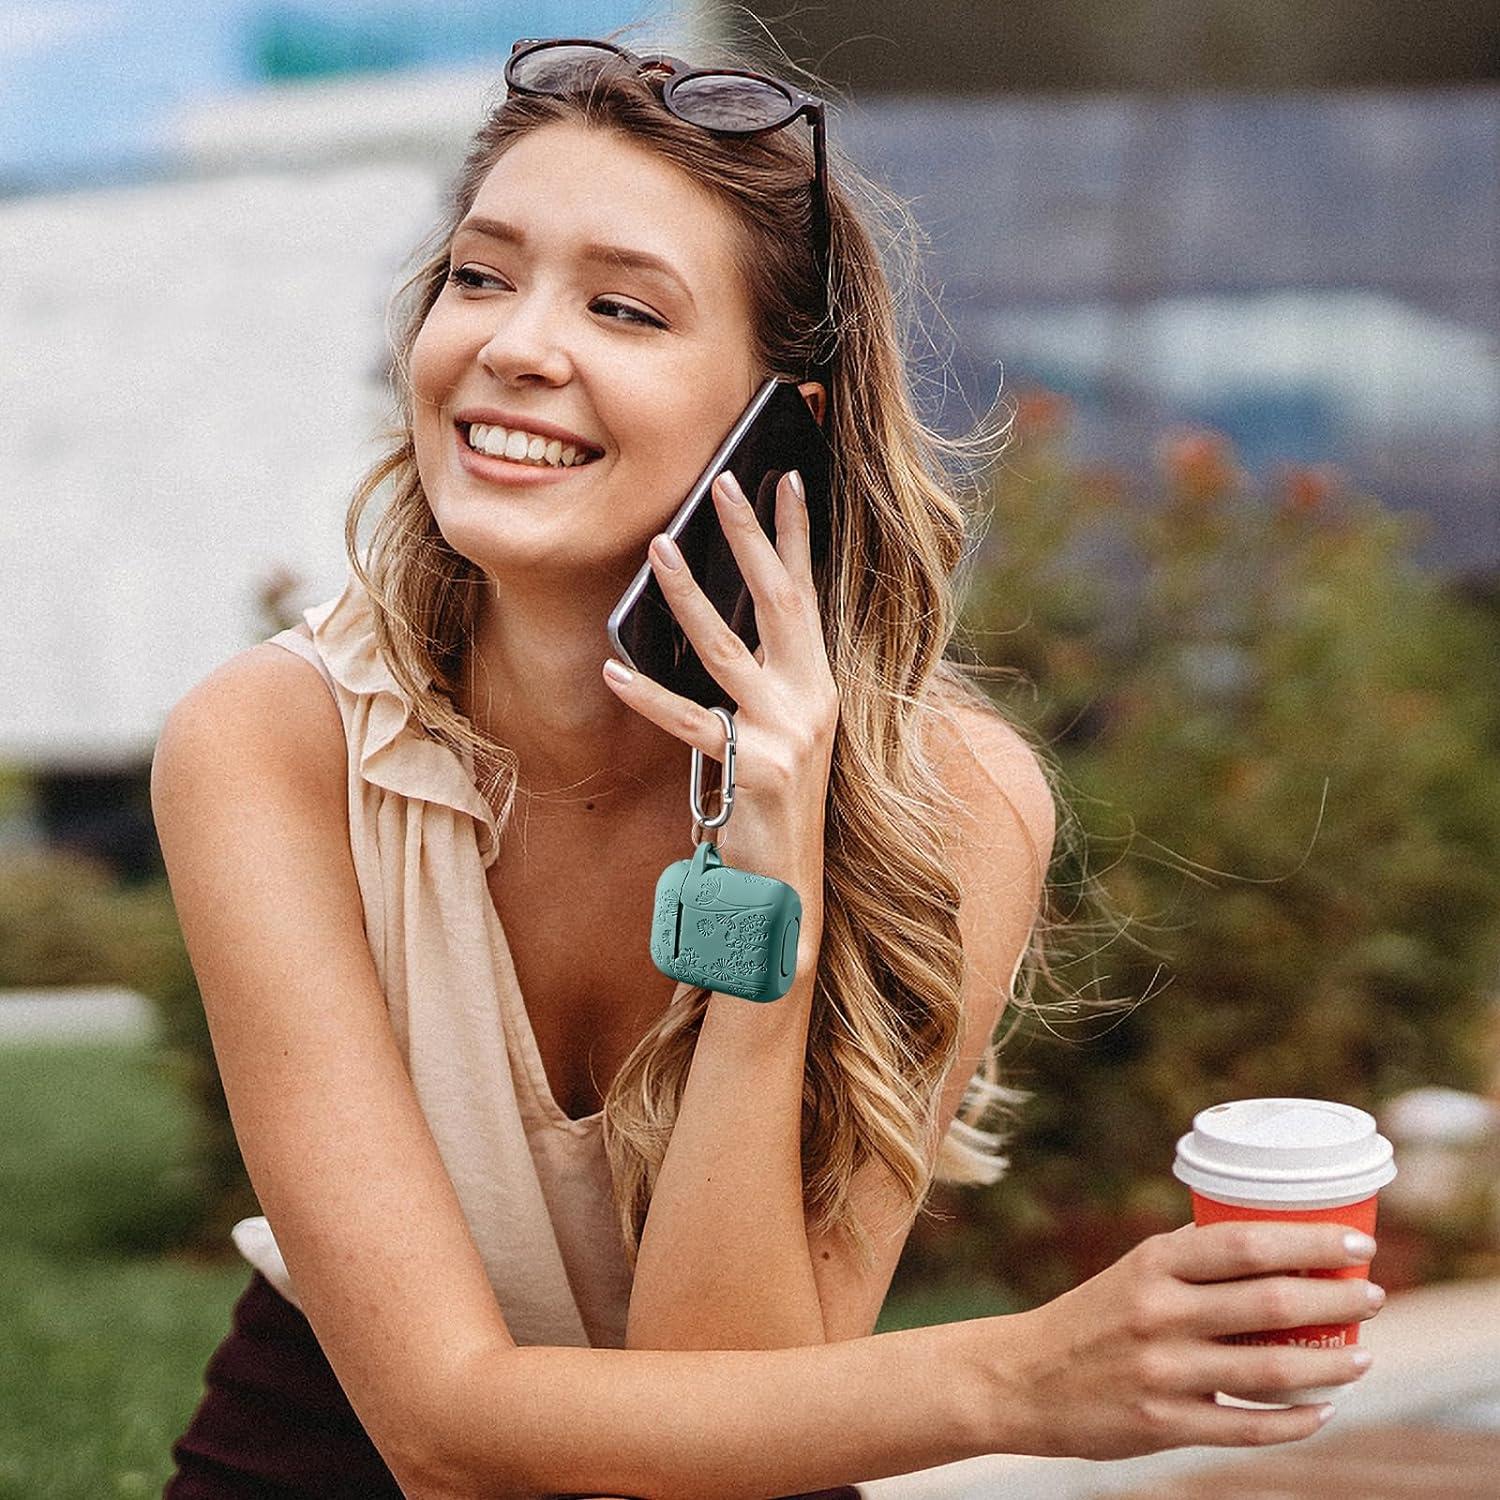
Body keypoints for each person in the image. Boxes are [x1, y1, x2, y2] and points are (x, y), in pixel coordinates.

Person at [152, 27, 1385, 1500]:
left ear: (775, 436)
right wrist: (1013, 1381)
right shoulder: (272, 745)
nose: (515, 345)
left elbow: (725, 1430)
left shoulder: (950, 806)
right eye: (481, 276)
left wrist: (767, 891)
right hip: (327, 1452)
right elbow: (436, 1432)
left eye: (624, 307)